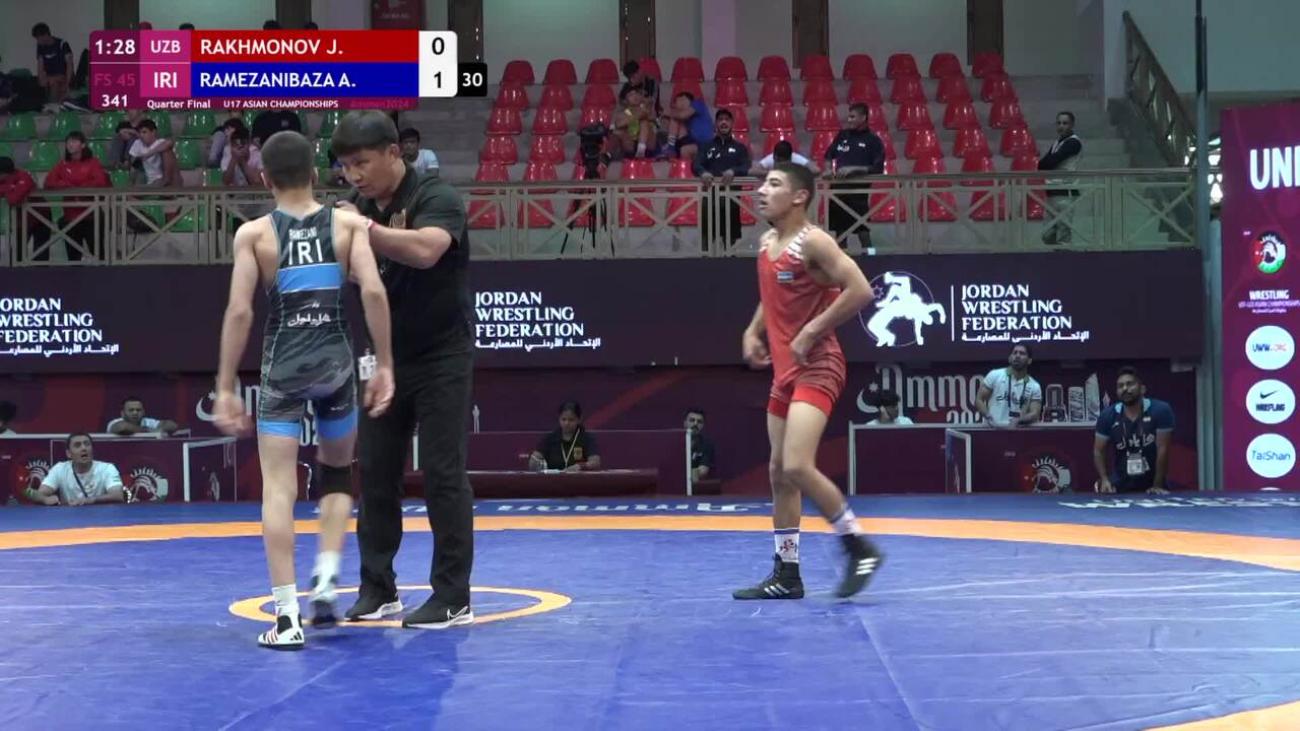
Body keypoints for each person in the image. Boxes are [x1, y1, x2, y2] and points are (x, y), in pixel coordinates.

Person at [212, 130, 395, 650]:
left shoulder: (253, 234)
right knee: (337, 472)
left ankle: (288, 618)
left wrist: (225, 385)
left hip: (284, 368)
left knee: (278, 488)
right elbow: (373, 291)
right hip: (336, 366)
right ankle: (328, 575)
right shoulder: (348, 224)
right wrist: (384, 365)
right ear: (315, 174)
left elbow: (240, 311)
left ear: (264, 179)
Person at [330, 111, 478, 630]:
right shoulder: (356, 208)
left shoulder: (435, 196)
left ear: (394, 153)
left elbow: (427, 250)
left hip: (442, 354)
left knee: (442, 473)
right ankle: (378, 588)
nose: (354, 175)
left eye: (362, 163)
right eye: (345, 166)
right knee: (376, 472)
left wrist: (363, 229)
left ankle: (453, 597)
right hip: (382, 358)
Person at [735, 163, 883, 601]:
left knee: (797, 465)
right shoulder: (767, 243)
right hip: (786, 372)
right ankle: (787, 574)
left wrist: (812, 330)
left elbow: (861, 289)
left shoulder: (814, 241)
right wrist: (752, 330)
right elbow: (771, 295)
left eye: (774, 184)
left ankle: (859, 547)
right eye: (762, 184)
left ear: (799, 196)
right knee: (779, 473)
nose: (761, 191)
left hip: (819, 364)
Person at [1093, 366, 1174, 495]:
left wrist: (1157, 485)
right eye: (1120, 386)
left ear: (1142, 389)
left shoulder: (1161, 410)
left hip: (1152, 482)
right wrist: (1104, 479)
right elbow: (1098, 450)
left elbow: (1163, 449)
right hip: (1120, 483)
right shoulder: (1108, 416)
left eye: (1130, 384)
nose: (1125, 388)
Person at [822, 103, 885, 249]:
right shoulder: (842, 135)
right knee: (840, 234)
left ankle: (872, 258)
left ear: (863, 118)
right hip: (838, 192)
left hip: (858, 193)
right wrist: (828, 169)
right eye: (849, 117)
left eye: (852, 117)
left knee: (864, 234)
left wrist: (855, 169)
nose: (849, 120)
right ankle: (841, 261)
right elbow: (828, 155)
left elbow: (877, 168)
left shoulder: (873, 140)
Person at [43, 131, 110, 261]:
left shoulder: (93, 162)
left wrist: (79, 188)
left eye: (74, 141)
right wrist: (66, 185)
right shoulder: (62, 164)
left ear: (83, 145)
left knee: (99, 255)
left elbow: (100, 182)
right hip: (70, 217)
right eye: (68, 141)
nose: (70, 144)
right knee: (73, 258)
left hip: (91, 216)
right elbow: (48, 183)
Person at [694, 108, 751, 251]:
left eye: (727, 119)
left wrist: (734, 171)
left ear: (732, 123)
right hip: (710, 198)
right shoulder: (706, 146)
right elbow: (696, 164)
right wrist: (703, 173)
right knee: (706, 245)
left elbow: (746, 166)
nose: (724, 122)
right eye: (720, 120)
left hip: (731, 199)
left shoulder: (740, 148)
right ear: (716, 124)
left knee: (730, 247)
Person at [26, 433, 125, 506]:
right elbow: (31, 493)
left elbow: (117, 495)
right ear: (69, 454)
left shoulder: (107, 468)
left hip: (102, 520)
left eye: (87, 444)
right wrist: (45, 500)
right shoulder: (60, 469)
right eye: (78, 445)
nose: (84, 448)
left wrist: (90, 500)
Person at [1039, 111, 1082, 246]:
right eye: (1059, 123)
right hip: (1052, 191)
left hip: (1065, 191)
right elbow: (1042, 164)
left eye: (1065, 123)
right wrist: (1046, 163)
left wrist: (1047, 163)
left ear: (1072, 125)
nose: (1061, 126)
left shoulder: (1074, 142)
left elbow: (1050, 162)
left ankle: (1064, 256)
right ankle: (1054, 256)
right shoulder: (1057, 142)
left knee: (1063, 234)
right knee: (1047, 234)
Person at [975, 343, 1043, 428]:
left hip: (1018, 431)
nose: (1017, 356)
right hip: (993, 430)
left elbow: (1035, 413)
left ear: (1029, 360)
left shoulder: (1034, 386)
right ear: (1009, 358)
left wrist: (1019, 420)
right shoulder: (995, 375)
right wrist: (988, 417)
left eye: (1022, 353)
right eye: (1015, 353)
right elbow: (979, 399)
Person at [529, 401, 601, 471]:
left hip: (578, 478)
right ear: (559, 419)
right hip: (553, 478)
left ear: (579, 420)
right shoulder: (550, 438)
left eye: (571, 420)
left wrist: (580, 466)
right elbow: (535, 458)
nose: (567, 423)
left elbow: (595, 463)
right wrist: (534, 462)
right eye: (563, 419)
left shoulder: (587, 438)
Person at [32, 23, 73, 106]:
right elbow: (40, 66)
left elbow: (70, 65)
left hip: (63, 76)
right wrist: (41, 80)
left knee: (54, 82)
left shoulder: (62, 44)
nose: (38, 41)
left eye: (39, 38)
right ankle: (47, 105)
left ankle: (53, 105)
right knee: (40, 82)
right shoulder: (40, 46)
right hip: (49, 77)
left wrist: (67, 84)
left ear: (45, 35)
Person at [107, 396, 179, 436]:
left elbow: (172, 425)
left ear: (143, 412)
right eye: (131, 410)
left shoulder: (147, 422)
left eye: (138, 410)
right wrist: (149, 431)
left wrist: (161, 429)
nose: (135, 413)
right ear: (122, 413)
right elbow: (123, 427)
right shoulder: (114, 422)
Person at [684, 408, 716, 485]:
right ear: (685, 423)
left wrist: (678, 473)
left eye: (699, 422)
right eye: (692, 420)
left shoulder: (706, 445)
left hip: (693, 485)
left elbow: (702, 471)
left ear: (703, 425)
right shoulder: (673, 443)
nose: (695, 424)